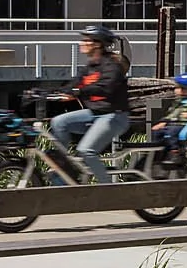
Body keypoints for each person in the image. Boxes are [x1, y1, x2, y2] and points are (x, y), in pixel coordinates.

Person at [47, 24, 134, 181]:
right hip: (94, 114)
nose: (82, 43)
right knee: (59, 122)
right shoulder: (90, 66)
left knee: (86, 150)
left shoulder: (111, 65)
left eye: (86, 40)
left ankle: (108, 189)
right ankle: (64, 166)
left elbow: (105, 87)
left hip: (114, 116)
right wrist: (49, 92)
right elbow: (75, 83)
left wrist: (79, 92)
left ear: (97, 44)